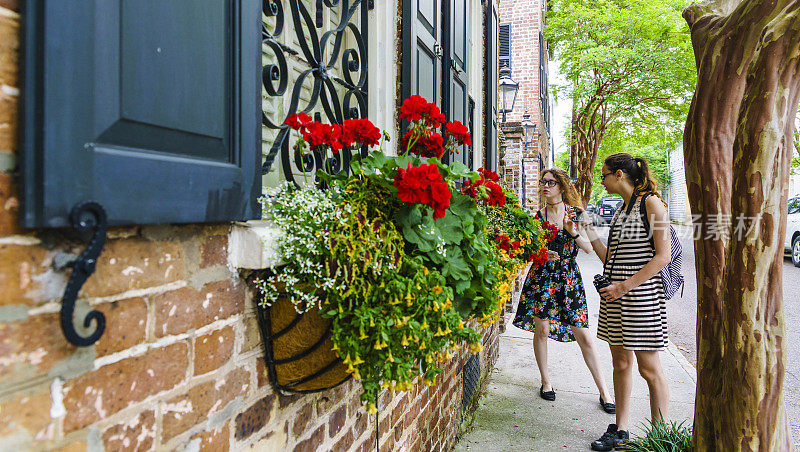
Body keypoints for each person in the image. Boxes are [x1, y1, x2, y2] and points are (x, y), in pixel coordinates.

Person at [579, 153, 671, 451]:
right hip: (615, 297)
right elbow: (610, 259)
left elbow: (662, 257)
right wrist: (587, 228)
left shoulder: (651, 203)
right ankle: (620, 430)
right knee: (620, 363)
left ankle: (660, 437)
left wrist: (624, 287)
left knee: (649, 369)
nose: (601, 180)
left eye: (604, 175)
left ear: (619, 174)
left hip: (641, 298)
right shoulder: (621, 210)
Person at [512, 168, 615, 415]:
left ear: (562, 186)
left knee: (584, 334)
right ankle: (546, 381)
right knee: (542, 329)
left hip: (569, 279)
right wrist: (540, 254)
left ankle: (604, 391)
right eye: (542, 182)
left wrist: (572, 231)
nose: (545, 186)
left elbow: (590, 248)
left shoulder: (579, 215)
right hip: (542, 277)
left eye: (551, 182)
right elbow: (525, 251)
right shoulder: (536, 217)